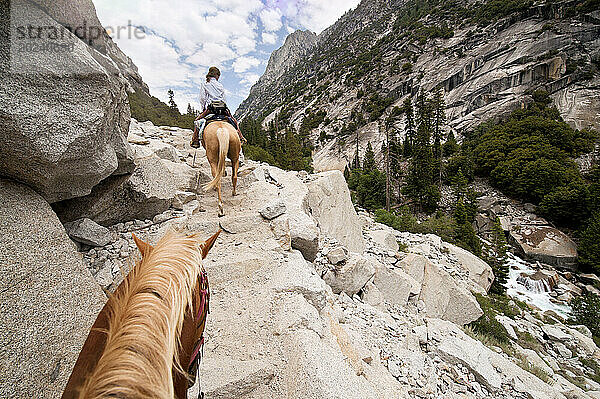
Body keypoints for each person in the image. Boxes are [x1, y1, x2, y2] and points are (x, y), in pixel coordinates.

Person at [191, 67, 246, 148]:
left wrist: (203, 108)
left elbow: (202, 98)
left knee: (197, 121)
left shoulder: (205, 84)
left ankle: (195, 140)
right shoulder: (220, 85)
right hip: (222, 108)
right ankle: (240, 137)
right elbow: (224, 99)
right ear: (217, 75)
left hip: (211, 109)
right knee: (234, 121)